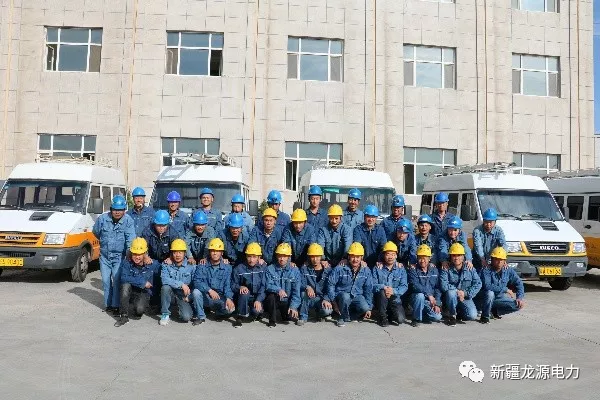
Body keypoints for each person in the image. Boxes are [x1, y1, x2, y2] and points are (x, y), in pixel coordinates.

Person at [92, 195, 136, 314]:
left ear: (124, 210)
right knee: (106, 281)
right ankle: (108, 305)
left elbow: (130, 239)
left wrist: (129, 254)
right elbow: (96, 232)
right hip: (104, 256)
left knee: (116, 281)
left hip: (119, 257)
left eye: (120, 210)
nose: (117, 212)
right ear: (111, 209)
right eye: (115, 209)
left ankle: (116, 305)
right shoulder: (102, 219)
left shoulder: (128, 221)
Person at [115, 238, 160, 327]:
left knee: (139, 311)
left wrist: (170, 259)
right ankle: (124, 316)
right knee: (125, 286)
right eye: (134, 254)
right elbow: (124, 277)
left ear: (145, 253)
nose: (137, 257)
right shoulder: (127, 262)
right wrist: (143, 282)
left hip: (144, 293)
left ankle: (136, 305)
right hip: (131, 291)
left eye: (139, 254)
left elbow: (164, 274)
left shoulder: (153, 264)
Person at [327, 242, 373, 327]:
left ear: (362, 257)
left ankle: (350, 315)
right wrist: (334, 303)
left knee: (365, 308)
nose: (355, 259)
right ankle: (341, 317)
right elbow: (330, 285)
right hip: (341, 296)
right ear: (348, 257)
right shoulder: (340, 268)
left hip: (357, 295)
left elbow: (368, 289)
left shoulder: (366, 270)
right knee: (345, 296)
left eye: (358, 257)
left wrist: (369, 308)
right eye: (352, 256)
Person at [191, 238, 235, 324]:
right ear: (209, 252)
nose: (215, 253)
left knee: (230, 309)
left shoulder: (227, 267)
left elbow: (227, 285)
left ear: (222, 253)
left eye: (217, 251)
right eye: (212, 251)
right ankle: (201, 316)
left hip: (219, 297)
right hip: (206, 295)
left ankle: (219, 313)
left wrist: (229, 298)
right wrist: (209, 290)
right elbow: (197, 281)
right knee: (196, 292)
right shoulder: (202, 265)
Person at [478, 247, 525, 324]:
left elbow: (519, 283)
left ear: (504, 261)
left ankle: (494, 312)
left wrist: (519, 298)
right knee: (490, 293)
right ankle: (484, 317)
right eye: (496, 259)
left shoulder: (508, 270)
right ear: (492, 259)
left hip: (498, 299)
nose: (499, 262)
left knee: (518, 305)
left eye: (501, 260)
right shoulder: (486, 270)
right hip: (484, 299)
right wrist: (505, 289)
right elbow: (487, 286)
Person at [440, 243, 482, 326]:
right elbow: (444, 285)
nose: (456, 258)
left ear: (463, 256)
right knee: (451, 292)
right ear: (450, 256)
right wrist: (457, 292)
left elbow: (478, 283)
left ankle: (458, 313)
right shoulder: (446, 268)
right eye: (454, 255)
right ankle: (452, 316)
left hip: (465, 297)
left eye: (459, 255)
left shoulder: (470, 268)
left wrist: (465, 293)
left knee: (472, 315)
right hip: (451, 298)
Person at [159, 239, 198, 326]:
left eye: (180, 252)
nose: (177, 255)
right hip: (171, 293)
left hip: (183, 295)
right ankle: (165, 314)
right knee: (165, 287)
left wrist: (190, 297)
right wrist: (181, 284)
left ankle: (182, 308)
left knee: (186, 317)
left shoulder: (191, 265)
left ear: (185, 253)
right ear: (171, 253)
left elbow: (196, 283)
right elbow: (164, 279)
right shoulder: (166, 264)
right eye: (175, 252)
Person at [264, 243, 301, 328]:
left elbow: (296, 291)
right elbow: (268, 285)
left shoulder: (295, 271)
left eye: (284, 256)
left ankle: (287, 314)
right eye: (279, 256)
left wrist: (293, 306)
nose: (282, 259)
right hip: (275, 300)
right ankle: (272, 321)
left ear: (289, 257)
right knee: (271, 296)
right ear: (276, 256)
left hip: (287, 301)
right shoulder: (270, 269)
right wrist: (278, 290)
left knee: (289, 318)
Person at [372, 241, 408, 327]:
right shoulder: (377, 268)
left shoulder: (401, 269)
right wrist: (384, 287)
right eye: (388, 254)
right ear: (384, 255)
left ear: (396, 255)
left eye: (393, 254)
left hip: (395, 299)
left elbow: (404, 286)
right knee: (382, 292)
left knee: (401, 320)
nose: (390, 257)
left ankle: (390, 314)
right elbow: (372, 284)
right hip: (381, 299)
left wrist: (393, 291)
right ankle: (383, 317)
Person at [231, 243, 266, 327]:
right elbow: (232, 284)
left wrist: (258, 300)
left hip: (257, 297)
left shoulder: (263, 268)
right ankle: (240, 316)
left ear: (259, 257)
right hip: (244, 297)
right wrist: (240, 287)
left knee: (256, 311)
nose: (251, 260)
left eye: (254, 257)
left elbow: (263, 286)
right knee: (244, 292)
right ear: (246, 256)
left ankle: (256, 313)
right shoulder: (239, 268)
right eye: (249, 256)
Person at [297, 243, 333, 326]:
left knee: (327, 311)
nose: (315, 259)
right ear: (309, 257)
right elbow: (299, 282)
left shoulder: (328, 270)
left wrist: (326, 299)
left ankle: (319, 314)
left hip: (322, 298)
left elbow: (331, 287)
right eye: (312, 256)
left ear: (321, 256)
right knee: (303, 293)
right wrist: (307, 287)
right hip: (309, 297)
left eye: (317, 256)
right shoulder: (304, 268)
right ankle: (303, 317)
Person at [408, 244, 442, 327]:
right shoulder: (413, 270)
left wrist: (437, 303)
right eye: (420, 258)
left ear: (429, 258)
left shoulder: (435, 270)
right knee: (420, 296)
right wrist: (429, 295)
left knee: (437, 317)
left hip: (429, 301)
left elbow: (437, 288)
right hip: (416, 298)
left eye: (425, 258)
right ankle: (416, 319)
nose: (422, 260)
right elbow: (415, 286)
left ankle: (420, 313)